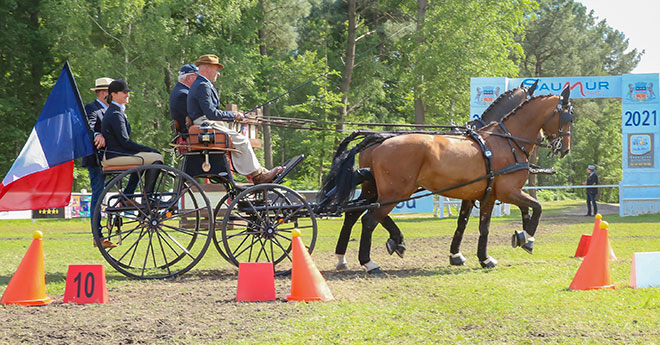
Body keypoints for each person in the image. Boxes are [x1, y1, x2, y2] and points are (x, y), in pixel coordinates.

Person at [186, 54, 283, 184]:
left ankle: (260, 171)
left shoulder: (201, 84)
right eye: (217, 69)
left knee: (240, 139)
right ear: (208, 69)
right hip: (205, 124)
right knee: (242, 140)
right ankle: (257, 176)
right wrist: (233, 115)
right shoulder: (203, 85)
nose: (218, 73)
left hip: (206, 123)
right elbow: (211, 113)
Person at [102, 79, 163, 209]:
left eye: (127, 92)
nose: (127, 95)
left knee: (145, 159)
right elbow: (125, 142)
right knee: (157, 158)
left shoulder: (116, 112)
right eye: (124, 92)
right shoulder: (115, 114)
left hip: (116, 153)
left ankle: (128, 195)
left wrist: (147, 151)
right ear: (113, 94)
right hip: (114, 155)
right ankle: (148, 200)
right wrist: (150, 149)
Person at [83, 77, 114, 249]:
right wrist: (97, 134)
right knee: (97, 194)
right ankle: (97, 235)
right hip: (96, 159)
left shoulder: (111, 110)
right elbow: (88, 126)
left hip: (110, 158)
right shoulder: (93, 108)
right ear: (103, 93)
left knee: (101, 194)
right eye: (112, 92)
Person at [169, 64, 198, 131]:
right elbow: (195, 116)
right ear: (188, 78)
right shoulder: (183, 94)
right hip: (189, 136)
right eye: (197, 77)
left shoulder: (180, 90)